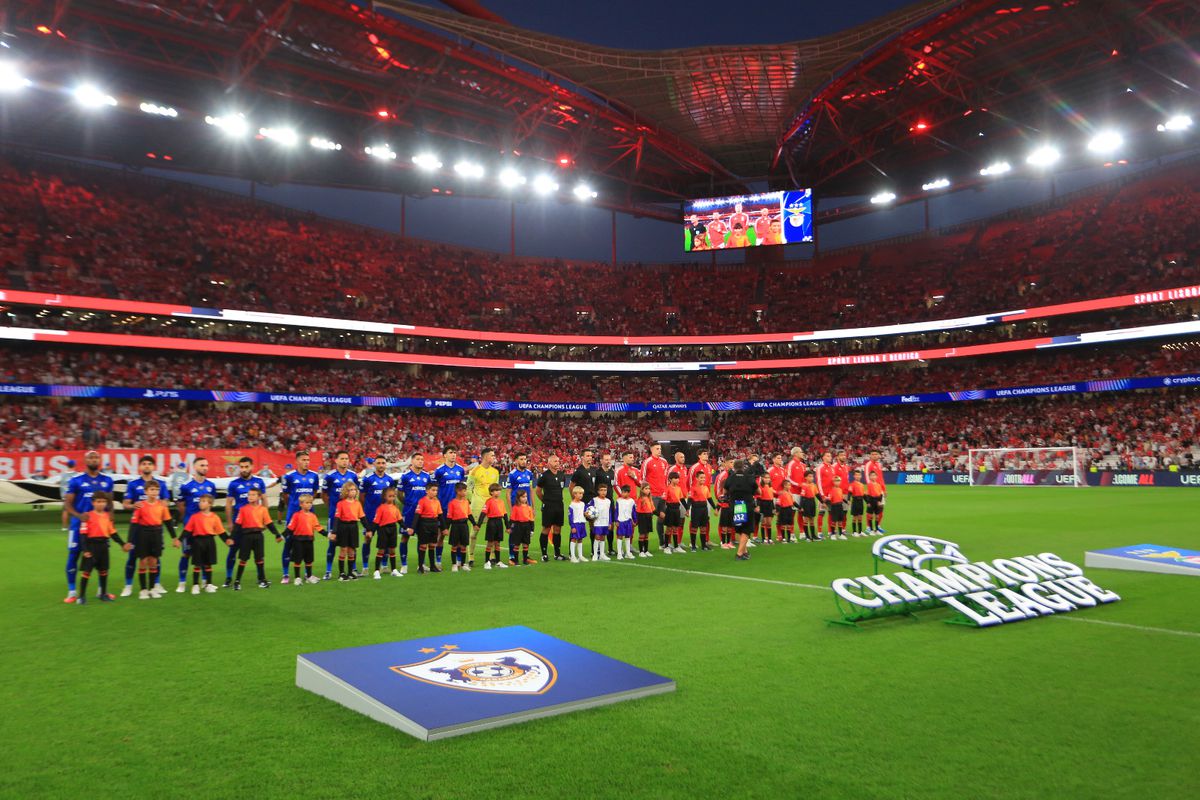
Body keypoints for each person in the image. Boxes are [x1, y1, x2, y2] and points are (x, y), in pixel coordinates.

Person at [63, 450, 115, 603]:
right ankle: (72, 591)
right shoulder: (76, 480)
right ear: (85, 461)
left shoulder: (107, 480)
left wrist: (111, 515)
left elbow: (110, 502)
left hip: (100, 528)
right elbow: (67, 503)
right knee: (74, 555)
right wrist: (79, 516)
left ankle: (102, 591)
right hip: (79, 526)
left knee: (101, 557)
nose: (94, 459)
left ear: (99, 460)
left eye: (96, 457)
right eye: (90, 457)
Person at [121, 455, 170, 597]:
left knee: (155, 557)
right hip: (139, 528)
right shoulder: (133, 484)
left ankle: (155, 584)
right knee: (133, 557)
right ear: (140, 467)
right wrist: (132, 505)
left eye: (149, 464)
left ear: (154, 467)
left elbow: (166, 502)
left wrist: (160, 506)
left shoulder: (161, 483)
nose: (147, 466)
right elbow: (125, 504)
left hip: (155, 528)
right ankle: (128, 585)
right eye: (144, 464)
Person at [75, 492, 130, 605]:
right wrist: (85, 550)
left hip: (103, 546)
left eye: (103, 502)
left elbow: (113, 533)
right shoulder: (87, 516)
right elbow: (83, 535)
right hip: (91, 546)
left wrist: (122, 544)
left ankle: (103, 594)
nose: (101, 504)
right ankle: (81, 596)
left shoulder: (107, 516)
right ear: (93, 503)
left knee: (104, 571)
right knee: (87, 572)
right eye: (98, 502)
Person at [129, 480, 177, 599]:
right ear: (146, 491)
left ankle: (152, 589)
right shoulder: (140, 505)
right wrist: (130, 540)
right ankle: (143, 589)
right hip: (143, 534)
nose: (154, 492)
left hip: (157, 533)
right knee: (143, 561)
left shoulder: (162, 505)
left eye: (156, 490)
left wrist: (174, 537)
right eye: (151, 489)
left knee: (154, 561)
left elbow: (168, 523)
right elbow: (134, 524)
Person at [224, 456, 266, 589]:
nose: (244, 469)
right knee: (233, 551)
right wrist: (230, 522)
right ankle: (229, 577)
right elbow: (229, 504)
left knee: (258, 554)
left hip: (254, 525)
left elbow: (264, 501)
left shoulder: (259, 482)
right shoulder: (234, 484)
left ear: (252, 467)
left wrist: (264, 519)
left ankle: (261, 578)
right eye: (241, 467)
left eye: (246, 467)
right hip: (239, 525)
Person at [175, 457, 216, 593]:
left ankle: (205, 581)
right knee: (186, 554)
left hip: (205, 528)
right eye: (202, 465)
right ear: (194, 467)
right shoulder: (186, 485)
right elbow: (180, 504)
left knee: (204, 555)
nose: (205, 467)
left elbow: (210, 505)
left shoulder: (211, 485)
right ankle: (182, 582)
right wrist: (186, 519)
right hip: (190, 527)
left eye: (206, 465)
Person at [229, 487, 282, 590]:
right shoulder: (243, 509)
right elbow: (238, 525)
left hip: (258, 536)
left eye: (253, 495)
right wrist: (231, 537)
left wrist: (277, 534)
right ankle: (237, 581)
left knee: (259, 559)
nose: (250, 497)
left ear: (258, 497)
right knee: (243, 559)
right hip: (246, 537)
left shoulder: (263, 509)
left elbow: (269, 523)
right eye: (249, 495)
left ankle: (262, 580)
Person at [279, 452, 320, 584]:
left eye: (308, 460)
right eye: (303, 460)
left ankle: (308, 575)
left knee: (307, 544)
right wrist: (292, 505)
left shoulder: (314, 476)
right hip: (293, 515)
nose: (306, 462)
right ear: (297, 461)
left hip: (308, 516)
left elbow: (313, 493)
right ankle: (286, 574)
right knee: (288, 544)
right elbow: (285, 495)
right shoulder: (289, 476)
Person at [322, 451, 359, 579]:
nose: (345, 461)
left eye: (346, 458)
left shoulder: (353, 476)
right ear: (336, 460)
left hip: (349, 518)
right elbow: (324, 494)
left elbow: (355, 494)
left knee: (351, 544)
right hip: (335, 516)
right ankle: (328, 570)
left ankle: (353, 569)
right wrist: (332, 507)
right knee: (332, 542)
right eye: (342, 458)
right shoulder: (330, 476)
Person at [361, 457, 397, 575]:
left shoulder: (390, 480)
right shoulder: (368, 479)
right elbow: (362, 497)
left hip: (385, 517)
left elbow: (392, 498)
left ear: (386, 465)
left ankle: (384, 565)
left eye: (383, 463)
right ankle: (365, 567)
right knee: (368, 539)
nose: (381, 465)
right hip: (370, 515)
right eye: (379, 463)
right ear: (374, 465)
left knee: (386, 541)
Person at [183, 494, 225, 594]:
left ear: (210, 504)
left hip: (210, 541)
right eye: (200, 501)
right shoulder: (195, 517)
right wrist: (179, 540)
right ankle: (195, 585)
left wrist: (228, 540)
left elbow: (221, 531)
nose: (200, 503)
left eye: (203, 501)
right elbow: (187, 530)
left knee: (208, 564)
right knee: (197, 564)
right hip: (197, 541)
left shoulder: (214, 517)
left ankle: (209, 584)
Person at [399, 452, 431, 575]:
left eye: (422, 459)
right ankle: (404, 564)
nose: (421, 461)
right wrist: (408, 503)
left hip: (423, 513)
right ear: (412, 461)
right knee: (405, 537)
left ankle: (421, 564)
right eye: (418, 459)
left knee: (422, 539)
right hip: (409, 512)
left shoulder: (426, 476)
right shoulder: (406, 476)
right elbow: (399, 493)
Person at [466, 448, 499, 570]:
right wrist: (473, 500)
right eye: (492, 455)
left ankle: (492, 555)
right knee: (474, 532)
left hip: (491, 505)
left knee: (492, 531)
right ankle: (471, 557)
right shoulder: (474, 471)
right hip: (477, 506)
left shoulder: (495, 472)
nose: (494, 457)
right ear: (485, 457)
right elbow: (468, 488)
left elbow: (496, 488)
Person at [433, 446, 465, 568]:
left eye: (455, 452)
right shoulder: (439, 471)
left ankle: (458, 561)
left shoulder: (460, 470)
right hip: (443, 508)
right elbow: (433, 488)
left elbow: (462, 488)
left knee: (457, 536)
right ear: (445, 455)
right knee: (440, 535)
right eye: (451, 452)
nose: (453, 455)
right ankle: (438, 561)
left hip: (458, 508)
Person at [722, 460, 758, 561]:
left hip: (736, 505)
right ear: (743, 467)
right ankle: (739, 553)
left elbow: (725, 491)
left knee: (739, 529)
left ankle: (745, 551)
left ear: (734, 467)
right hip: (747, 505)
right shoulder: (749, 477)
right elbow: (758, 490)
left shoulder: (730, 478)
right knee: (746, 530)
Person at [286, 494, 326, 586]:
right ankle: (297, 578)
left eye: (311, 503)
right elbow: (290, 528)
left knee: (309, 560)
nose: (309, 504)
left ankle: (309, 576)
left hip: (309, 540)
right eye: (307, 503)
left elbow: (318, 527)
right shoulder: (296, 515)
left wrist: (327, 534)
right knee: (298, 560)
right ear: (301, 504)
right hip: (298, 541)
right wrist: (281, 536)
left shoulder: (313, 516)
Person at [331, 481, 365, 581]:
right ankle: (341, 573)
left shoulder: (357, 503)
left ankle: (350, 572)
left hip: (353, 527)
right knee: (343, 550)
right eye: (351, 490)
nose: (353, 492)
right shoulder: (341, 504)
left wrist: (368, 528)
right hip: (343, 527)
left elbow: (362, 517)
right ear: (346, 491)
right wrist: (334, 532)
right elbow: (337, 518)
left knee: (351, 551)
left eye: (354, 490)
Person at [536, 454, 568, 562]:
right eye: (555, 461)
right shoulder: (544, 476)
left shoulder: (561, 475)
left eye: (558, 461)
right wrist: (545, 501)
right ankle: (544, 554)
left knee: (558, 529)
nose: (557, 463)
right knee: (546, 528)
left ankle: (557, 554)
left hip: (559, 505)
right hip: (549, 506)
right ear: (549, 463)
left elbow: (561, 490)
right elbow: (538, 491)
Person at [641, 443, 669, 553]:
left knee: (662, 519)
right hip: (652, 496)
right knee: (646, 520)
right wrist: (645, 495)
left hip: (662, 495)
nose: (659, 450)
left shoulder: (664, 462)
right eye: (657, 448)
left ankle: (662, 544)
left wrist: (665, 491)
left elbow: (666, 478)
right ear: (651, 450)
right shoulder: (647, 462)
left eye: (660, 448)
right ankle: (643, 546)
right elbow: (642, 479)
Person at [507, 454, 535, 563]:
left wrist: (533, 507)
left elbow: (531, 490)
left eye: (525, 459)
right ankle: (511, 556)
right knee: (514, 533)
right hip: (517, 508)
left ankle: (525, 556)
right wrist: (511, 509)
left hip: (526, 508)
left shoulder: (529, 474)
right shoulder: (512, 474)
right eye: (521, 459)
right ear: (516, 461)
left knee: (526, 532)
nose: (524, 461)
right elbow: (508, 493)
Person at [371, 486, 403, 578]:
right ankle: (376, 571)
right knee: (381, 550)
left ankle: (394, 570)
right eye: (390, 496)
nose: (392, 498)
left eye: (393, 496)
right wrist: (372, 531)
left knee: (392, 549)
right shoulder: (381, 508)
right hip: (383, 530)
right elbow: (376, 521)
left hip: (393, 529)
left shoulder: (395, 508)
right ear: (385, 497)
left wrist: (405, 527)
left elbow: (399, 519)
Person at [413, 483, 443, 574]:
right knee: (423, 546)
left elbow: (440, 515)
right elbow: (417, 515)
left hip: (434, 524)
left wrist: (444, 528)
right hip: (424, 524)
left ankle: (432, 566)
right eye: (433, 490)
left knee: (432, 545)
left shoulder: (437, 502)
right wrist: (413, 527)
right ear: (427, 491)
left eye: (436, 490)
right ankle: (420, 566)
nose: (435, 492)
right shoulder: (422, 501)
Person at [445, 483, 473, 572]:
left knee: (464, 545)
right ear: (458, 491)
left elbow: (469, 514)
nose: (465, 492)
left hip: (464, 525)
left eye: (466, 490)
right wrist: (446, 528)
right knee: (455, 545)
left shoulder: (466, 502)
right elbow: (449, 517)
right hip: (455, 526)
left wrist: (475, 524)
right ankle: (454, 564)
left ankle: (463, 564)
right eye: (464, 491)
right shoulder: (452, 503)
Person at [594, 452, 617, 557]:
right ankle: (597, 549)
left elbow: (613, 487)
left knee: (611, 526)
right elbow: (594, 487)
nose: (608, 461)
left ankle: (610, 548)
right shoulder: (597, 473)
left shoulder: (612, 472)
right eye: (606, 459)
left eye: (609, 459)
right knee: (599, 525)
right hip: (600, 503)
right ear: (601, 461)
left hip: (610, 502)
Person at [687, 471, 717, 551]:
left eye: (704, 477)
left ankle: (704, 546)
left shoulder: (706, 488)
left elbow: (710, 499)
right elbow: (689, 500)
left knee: (704, 527)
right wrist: (687, 509)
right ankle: (693, 546)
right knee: (694, 528)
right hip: (696, 510)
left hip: (704, 509)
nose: (703, 479)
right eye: (701, 477)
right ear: (697, 478)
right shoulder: (693, 488)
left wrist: (715, 508)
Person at [481, 483, 509, 570]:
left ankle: (498, 561)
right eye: (496, 491)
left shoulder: (501, 501)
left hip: (499, 522)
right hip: (492, 523)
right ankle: (486, 562)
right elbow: (483, 513)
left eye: (499, 490)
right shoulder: (488, 501)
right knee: (490, 543)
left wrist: (507, 526)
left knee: (497, 543)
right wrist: (478, 524)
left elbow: (505, 514)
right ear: (491, 492)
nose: (498, 492)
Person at [586, 483, 614, 562]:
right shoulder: (595, 500)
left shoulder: (608, 501)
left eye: (605, 490)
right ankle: (595, 554)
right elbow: (587, 506)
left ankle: (602, 554)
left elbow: (609, 512)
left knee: (603, 537)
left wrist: (610, 523)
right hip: (597, 522)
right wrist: (587, 513)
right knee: (597, 537)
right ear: (598, 491)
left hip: (605, 522)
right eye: (601, 490)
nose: (603, 492)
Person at [862, 449, 888, 533]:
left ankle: (878, 525)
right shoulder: (868, 465)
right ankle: (868, 527)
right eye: (872, 454)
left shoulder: (879, 464)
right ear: (870, 456)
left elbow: (881, 478)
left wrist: (884, 489)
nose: (874, 456)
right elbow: (867, 478)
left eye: (876, 454)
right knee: (871, 509)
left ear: (878, 455)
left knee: (881, 508)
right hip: (872, 491)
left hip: (880, 490)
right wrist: (871, 490)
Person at [508, 490, 536, 566]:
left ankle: (525, 560)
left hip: (527, 527)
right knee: (517, 544)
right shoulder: (515, 508)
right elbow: (512, 519)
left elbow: (531, 520)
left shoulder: (529, 508)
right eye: (523, 497)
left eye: (526, 496)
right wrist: (509, 528)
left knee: (526, 544)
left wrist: (532, 530)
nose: (525, 498)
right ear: (518, 498)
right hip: (518, 527)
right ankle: (516, 561)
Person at [663, 473, 685, 553]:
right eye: (675, 478)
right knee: (668, 528)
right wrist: (662, 511)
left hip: (677, 509)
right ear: (670, 479)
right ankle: (666, 547)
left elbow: (682, 499)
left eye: (678, 478)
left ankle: (676, 546)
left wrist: (687, 508)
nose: (677, 480)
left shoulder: (679, 488)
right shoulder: (667, 488)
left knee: (676, 528)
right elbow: (663, 500)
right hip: (670, 509)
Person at [613, 484, 637, 560]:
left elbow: (633, 511)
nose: (623, 494)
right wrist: (616, 520)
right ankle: (619, 553)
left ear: (628, 492)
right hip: (621, 521)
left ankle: (628, 553)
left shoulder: (631, 501)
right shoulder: (618, 501)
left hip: (629, 521)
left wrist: (635, 520)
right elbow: (616, 511)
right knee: (620, 536)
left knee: (628, 536)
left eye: (625, 492)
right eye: (622, 492)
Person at [815, 451, 835, 538]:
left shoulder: (832, 468)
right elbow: (818, 482)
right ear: (823, 457)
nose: (830, 457)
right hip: (823, 495)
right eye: (827, 456)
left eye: (830, 456)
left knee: (831, 513)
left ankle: (831, 532)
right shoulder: (820, 468)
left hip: (831, 495)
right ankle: (819, 532)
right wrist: (822, 495)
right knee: (821, 513)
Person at [567, 486, 588, 563]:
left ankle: (580, 556)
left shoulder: (583, 504)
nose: (581, 495)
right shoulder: (572, 505)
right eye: (579, 493)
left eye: (582, 494)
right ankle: (572, 556)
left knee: (580, 539)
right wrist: (572, 526)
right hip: (575, 524)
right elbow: (570, 516)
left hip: (582, 523)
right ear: (574, 494)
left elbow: (585, 512)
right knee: (573, 539)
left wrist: (587, 514)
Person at [635, 483, 656, 557]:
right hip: (642, 517)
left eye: (649, 488)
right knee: (642, 534)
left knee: (647, 534)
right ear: (642, 490)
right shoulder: (640, 499)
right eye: (646, 489)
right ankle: (641, 552)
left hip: (649, 516)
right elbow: (637, 511)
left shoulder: (649, 498)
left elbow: (653, 509)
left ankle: (646, 550)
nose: (648, 490)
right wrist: (636, 521)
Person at [756, 475, 776, 544]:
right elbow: (759, 498)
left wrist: (773, 508)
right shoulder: (760, 487)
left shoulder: (770, 487)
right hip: (763, 505)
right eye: (765, 478)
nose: (767, 479)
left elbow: (771, 498)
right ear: (762, 479)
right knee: (763, 522)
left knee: (769, 523)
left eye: (768, 478)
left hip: (770, 505)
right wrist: (758, 506)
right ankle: (763, 539)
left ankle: (769, 538)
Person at [59, 458, 77, 532]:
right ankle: (72, 526)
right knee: (74, 511)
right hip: (73, 495)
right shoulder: (76, 474)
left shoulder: (63, 474)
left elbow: (60, 483)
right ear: (74, 465)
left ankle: (64, 527)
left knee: (65, 511)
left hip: (65, 495)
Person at [800, 477, 819, 541]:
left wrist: (822, 502)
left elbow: (817, 494)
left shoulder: (814, 485)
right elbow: (802, 496)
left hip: (812, 502)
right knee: (806, 519)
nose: (812, 478)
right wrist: (801, 506)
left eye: (812, 476)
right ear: (806, 477)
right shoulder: (804, 486)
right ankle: (807, 536)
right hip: (806, 502)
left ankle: (813, 535)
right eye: (810, 476)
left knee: (812, 519)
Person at [848, 469, 866, 537]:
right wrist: (849, 500)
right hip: (855, 501)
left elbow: (863, 495)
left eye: (859, 475)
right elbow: (849, 492)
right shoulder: (852, 484)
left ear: (861, 476)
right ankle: (854, 532)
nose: (858, 476)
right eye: (856, 475)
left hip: (861, 502)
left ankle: (860, 531)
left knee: (860, 517)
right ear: (854, 476)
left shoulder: (862, 485)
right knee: (854, 517)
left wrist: (868, 502)